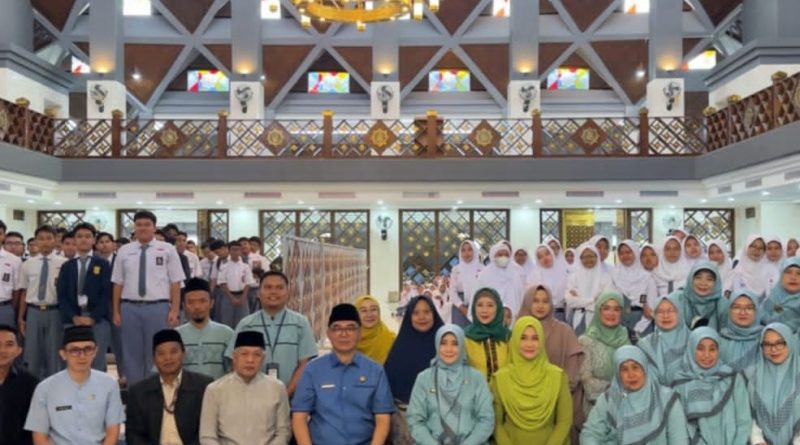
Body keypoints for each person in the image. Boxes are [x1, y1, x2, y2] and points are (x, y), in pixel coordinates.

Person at [291, 303, 395, 445]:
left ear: (360, 333)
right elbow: (299, 416)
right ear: (329, 333)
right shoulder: (313, 370)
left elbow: (382, 418)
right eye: (337, 328)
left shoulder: (375, 371)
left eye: (350, 328)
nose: (344, 334)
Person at [111, 211, 185, 384]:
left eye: (147, 224)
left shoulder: (167, 249)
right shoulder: (124, 250)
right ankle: (135, 391)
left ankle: (156, 390)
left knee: (157, 350)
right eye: (139, 225)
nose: (142, 228)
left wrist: (174, 310)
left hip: (158, 307)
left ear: (154, 227)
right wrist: (116, 311)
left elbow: (175, 282)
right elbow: (117, 283)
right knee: (131, 352)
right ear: (134, 228)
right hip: (129, 307)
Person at [24, 326, 125, 445]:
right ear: (63, 354)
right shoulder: (45, 388)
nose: (82, 356)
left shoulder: (109, 385)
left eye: (88, 349)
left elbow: (113, 432)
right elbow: (40, 437)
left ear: (95, 352)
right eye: (74, 350)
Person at [226, 271, 317, 397]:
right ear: (258, 293)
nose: (273, 292)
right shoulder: (246, 324)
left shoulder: (300, 323)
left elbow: (305, 363)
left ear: (288, 293)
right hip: (253, 398)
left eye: (279, 288)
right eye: (268, 287)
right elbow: (235, 361)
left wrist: (286, 394)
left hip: (292, 398)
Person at [580, 345, 689, 444]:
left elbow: (679, 440)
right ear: (618, 374)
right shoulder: (608, 399)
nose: (631, 374)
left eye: (635, 367)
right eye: (624, 369)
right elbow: (590, 434)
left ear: (644, 368)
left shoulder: (667, 399)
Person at [406, 324, 494, 445]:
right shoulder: (424, 378)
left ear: (462, 346)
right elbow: (415, 421)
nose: (449, 349)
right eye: (443, 343)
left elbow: (486, 419)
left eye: (454, 344)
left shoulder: (476, 378)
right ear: (437, 345)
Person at [518, 284, 585, 440]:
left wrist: (552, 397)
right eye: (535, 301)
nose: (540, 306)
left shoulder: (564, 331)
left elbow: (573, 373)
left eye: (545, 301)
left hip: (560, 403)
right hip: (525, 405)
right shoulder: (518, 331)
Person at [492, 316, 572, 445]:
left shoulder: (558, 376)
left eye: (535, 338)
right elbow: (496, 423)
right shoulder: (500, 378)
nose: (529, 344)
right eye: (523, 338)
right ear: (514, 340)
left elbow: (564, 421)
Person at [200, 331, 291, 445]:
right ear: (234, 357)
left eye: (256, 355)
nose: (250, 360)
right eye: (244, 354)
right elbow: (207, 436)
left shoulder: (277, 388)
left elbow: (283, 432)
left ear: (263, 358)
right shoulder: (215, 389)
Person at [126, 329, 214, 445]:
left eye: (173, 352)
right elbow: (134, 434)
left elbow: (209, 431)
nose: (168, 358)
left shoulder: (203, 386)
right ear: (153, 359)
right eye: (161, 354)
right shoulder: (138, 391)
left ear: (183, 354)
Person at [669, 327, 751, 444]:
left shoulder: (732, 378)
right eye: (700, 349)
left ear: (719, 350)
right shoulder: (681, 384)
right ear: (691, 349)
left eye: (712, 349)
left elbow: (743, 420)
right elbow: (683, 428)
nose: (707, 355)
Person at [383, 295, 444, 444]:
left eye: (427, 312)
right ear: (409, 317)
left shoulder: (447, 346)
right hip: (405, 423)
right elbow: (387, 387)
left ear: (434, 314)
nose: (422, 317)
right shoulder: (399, 349)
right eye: (416, 313)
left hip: (442, 421)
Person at [56, 222, 112, 371]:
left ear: (94, 240)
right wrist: (74, 316)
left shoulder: (103, 264)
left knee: (97, 361)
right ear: (74, 240)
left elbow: (106, 294)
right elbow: (61, 295)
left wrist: (93, 317)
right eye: (79, 236)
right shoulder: (67, 266)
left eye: (88, 236)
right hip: (72, 320)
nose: (83, 239)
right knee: (73, 360)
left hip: (97, 319)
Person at [16, 225, 68, 378]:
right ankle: (32, 385)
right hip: (33, 311)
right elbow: (24, 291)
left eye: (49, 238)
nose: (45, 242)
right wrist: (21, 317)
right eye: (41, 239)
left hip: (55, 311)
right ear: (35, 241)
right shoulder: (27, 264)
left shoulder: (64, 263)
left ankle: (54, 385)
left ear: (55, 240)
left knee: (54, 352)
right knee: (32, 352)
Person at [578, 291, 630, 415]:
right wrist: (620, 391)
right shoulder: (585, 341)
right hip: (597, 410)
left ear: (621, 313)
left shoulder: (630, 338)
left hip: (628, 410)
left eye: (616, 309)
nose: (611, 313)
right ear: (598, 311)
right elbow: (587, 382)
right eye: (606, 308)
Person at [748, 323, 800, 445]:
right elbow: (747, 415)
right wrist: (757, 440)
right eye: (767, 344)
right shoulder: (751, 377)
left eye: (780, 343)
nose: (774, 349)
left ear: (790, 342)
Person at [177, 278, 234, 379]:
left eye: (202, 301)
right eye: (191, 302)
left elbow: (234, 370)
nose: (197, 306)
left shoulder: (227, 334)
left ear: (211, 303)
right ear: (184, 305)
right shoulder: (176, 336)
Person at [638, 295, 691, 385]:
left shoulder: (695, 340)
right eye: (660, 312)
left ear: (680, 313)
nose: (665, 316)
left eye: (671, 311)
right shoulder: (645, 345)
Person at [0, 324, 39, 445]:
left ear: (18, 351)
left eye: (9, 344)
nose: (2, 350)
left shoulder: (30, 384)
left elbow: (36, 428)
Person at [612, 240, 658, 338]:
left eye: (629, 252)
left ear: (636, 253)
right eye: (621, 253)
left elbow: (651, 308)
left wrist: (638, 329)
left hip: (643, 325)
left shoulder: (647, 278)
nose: (625, 256)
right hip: (619, 324)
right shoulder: (614, 276)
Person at [565, 243, 614, 335]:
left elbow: (605, 302)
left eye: (591, 256)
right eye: (584, 257)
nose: (588, 259)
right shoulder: (573, 278)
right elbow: (570, 301)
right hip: (577, 319)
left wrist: (579, 299)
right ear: (580, 259)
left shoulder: (605, 278)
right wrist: (592, 300)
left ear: (597, 257)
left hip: (598, 320)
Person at [464, 288, 510, 381]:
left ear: (498, 308)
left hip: (505, 389)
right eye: (480, 305)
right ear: (474, 308)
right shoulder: (465, 337)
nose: (484, 310)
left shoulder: (507, 336)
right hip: (476, 389)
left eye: (490, 305)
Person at [671, 262, 728, 330]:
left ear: (716, 282)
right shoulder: (678, 299)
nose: (703, 283)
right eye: (698, 278)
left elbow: (727, 332)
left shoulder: (722, 304)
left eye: (709, 279)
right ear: (690, 279)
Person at [477, 242, 525, 319]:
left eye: (506, 255)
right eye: (500, 255)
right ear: (493, 256)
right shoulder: (485, 274)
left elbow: (520, 296)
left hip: (513, 315)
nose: (503, 257)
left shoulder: (516, 273)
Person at [719, 289, 762, 373]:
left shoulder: (766, 339)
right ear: (729, 310)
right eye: (737, 307)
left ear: (756, 311)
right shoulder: (718, 341)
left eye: (749, 308)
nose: (743, 312)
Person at [526, 244, 569, 322]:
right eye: (540, 257)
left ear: (552, 254)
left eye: (547, 254)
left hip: (560, 313)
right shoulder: (533, 276)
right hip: (540, 315)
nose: (545, 258)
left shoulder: (563, 273)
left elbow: (568, 293)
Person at [217, 241, 255, 329]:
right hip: (228, 296)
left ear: (240, 251)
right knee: (227, 322)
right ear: (229, 251)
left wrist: (243, 297)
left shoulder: (245, 266)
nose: (235, 252)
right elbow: (222, 284)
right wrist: (232, 298)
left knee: (243, 322)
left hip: (242, 296)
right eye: (233, 250)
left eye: (237, 250)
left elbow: (248, 283)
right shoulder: (224, 266)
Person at [760, 257, 800, 331]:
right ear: (781, 276)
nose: (793, 277)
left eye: (799, 273)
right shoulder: (771, 297)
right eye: (788, 272)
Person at [354, 295, 395, 365]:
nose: (369, 315)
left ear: (379, 312)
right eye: (364, 311)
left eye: (373, 309)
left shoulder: (391, 339)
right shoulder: (348, 341)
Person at [448, 240, 483, 320]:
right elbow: (452, 291)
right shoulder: (456, 269)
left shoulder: (482, 269)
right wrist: (461, 307)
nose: (466, 253)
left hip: (478, 304)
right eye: (463, 250)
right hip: (459, 305)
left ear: (474, 251)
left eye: (470, 249)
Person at [0, 233, 21, 326]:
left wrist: (11, 308)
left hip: (4, 307)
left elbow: (16, 289)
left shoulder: (14, 260)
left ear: (4, 236)